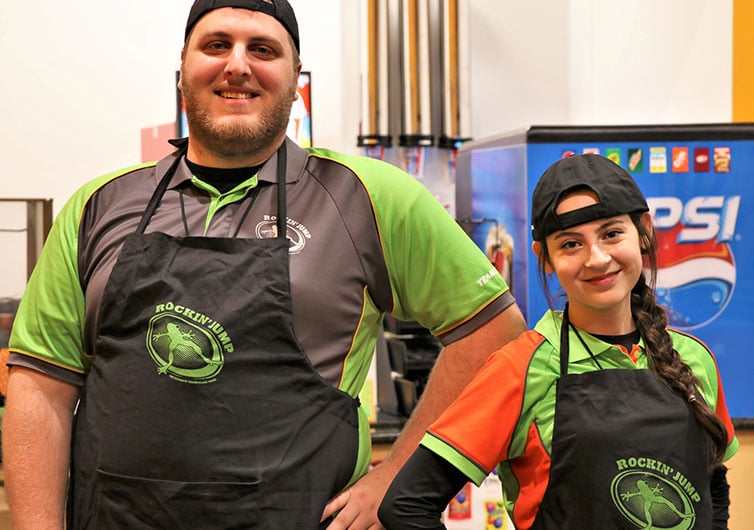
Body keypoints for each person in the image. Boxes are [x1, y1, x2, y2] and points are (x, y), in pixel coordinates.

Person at [1, 1, 527, 529]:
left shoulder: (371, 198)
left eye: (263, 49)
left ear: (295, 78)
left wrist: (397, 479)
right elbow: (40, 387)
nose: (237, 65)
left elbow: (494, 333)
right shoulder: (99, 205)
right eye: (216, 45)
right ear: (182, 67)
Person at [378, 154, 739, 529]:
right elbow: (406, 505)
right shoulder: (520, 367)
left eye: (611, 233)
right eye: (570, 244)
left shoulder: (694, 358)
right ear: (545, 258)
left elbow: (712, 484)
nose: (597, 258)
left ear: (644, 230)